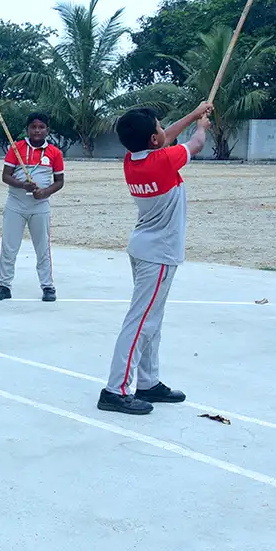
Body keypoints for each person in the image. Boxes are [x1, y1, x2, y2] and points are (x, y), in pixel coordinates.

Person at [98, 101, 212, 415]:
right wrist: (201, 126)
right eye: (160, 128)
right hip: (159, 253)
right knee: (141, 322)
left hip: (145, 248)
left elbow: (164, 140)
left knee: (151, 320)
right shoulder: (164, 160)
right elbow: (196, 144)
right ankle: (115, 389)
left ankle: (148, 381)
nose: (164, 131)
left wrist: (194, 112)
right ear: (152, 139)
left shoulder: (133, 159)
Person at [0, 112, 65, 303]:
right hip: (15, 204)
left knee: (43, 248)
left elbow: (60, 181)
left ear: (47, 130)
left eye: (41, 127)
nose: (37, 130)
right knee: (9, 246)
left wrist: (45, 192)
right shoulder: (16, 148)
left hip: (40, 205)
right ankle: (4, 286)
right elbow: (5, 176)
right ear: (27, 129)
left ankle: (48, 286)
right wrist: (23, 185)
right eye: (33, 127)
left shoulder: (55, 153)